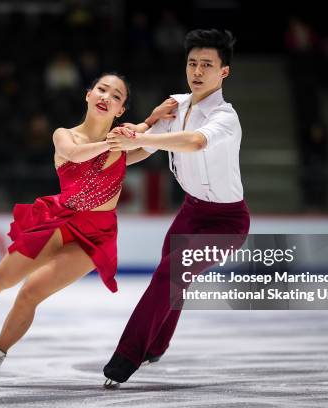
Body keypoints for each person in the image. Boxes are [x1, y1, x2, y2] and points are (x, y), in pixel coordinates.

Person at [0, 73, 173, 386]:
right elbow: (74, 154)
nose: (106, 96)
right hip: (60, 221)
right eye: (101, 89)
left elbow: (149, 148)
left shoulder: (120, 144)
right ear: (88, 94)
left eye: (116, 96)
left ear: (120, 110)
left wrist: (150, 124)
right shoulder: (66, 136)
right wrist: (123, 138)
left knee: (30, 292)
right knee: (2, 277)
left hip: (96, 236)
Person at [103, 28, 251, 386]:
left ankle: (126, 358)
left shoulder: (226, 117)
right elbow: (144, 151)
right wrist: (120, 149)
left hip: (227, 222)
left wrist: (143, 133)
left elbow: (194, 142)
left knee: (170, 274)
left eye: (206, 65)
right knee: (173, 279)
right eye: (192, 63)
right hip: (190, 211)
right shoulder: (175, 104)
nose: (197, 71)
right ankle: (156, 345)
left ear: (223, 72)